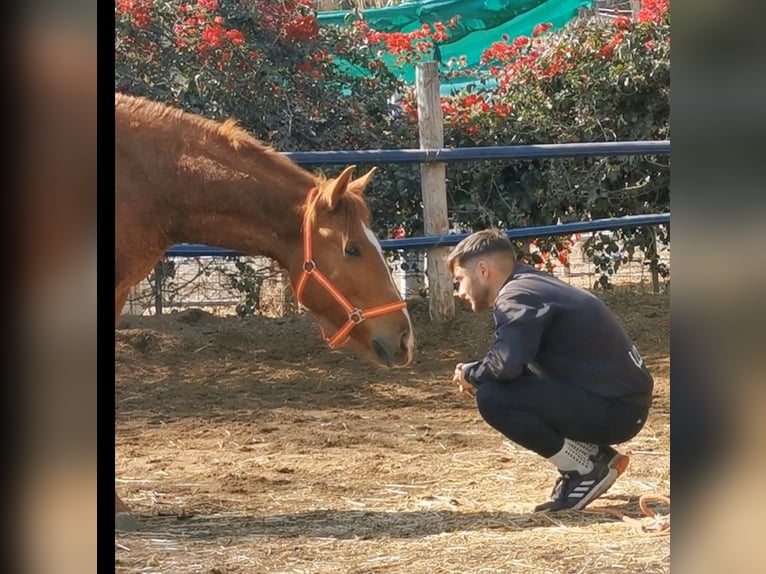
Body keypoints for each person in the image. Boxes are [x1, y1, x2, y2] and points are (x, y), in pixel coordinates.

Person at [447, 228, 654, 512]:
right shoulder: (531, 283)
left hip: (618, 411)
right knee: (500, 385)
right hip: (623, 404)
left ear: (483, 270)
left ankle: (585, 469)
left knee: (493, 397)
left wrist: (470, 375)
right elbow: (512, 362)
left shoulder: (516, 296)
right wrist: (477, 370)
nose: (458, 292)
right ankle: (593, 459)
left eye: (459, 280)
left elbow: (504, 366)